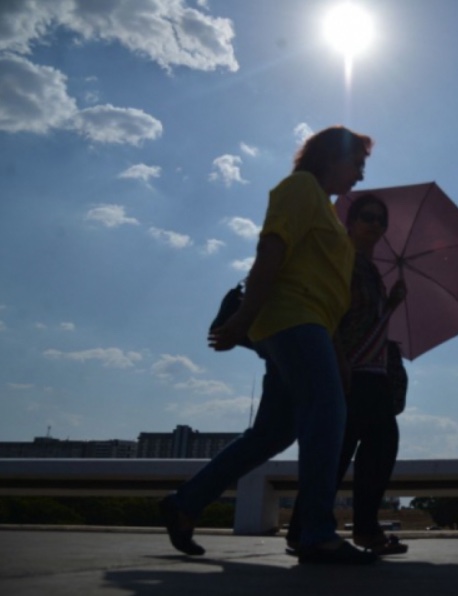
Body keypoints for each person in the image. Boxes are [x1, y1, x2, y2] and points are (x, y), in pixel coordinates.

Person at [159, 125, 377, 565]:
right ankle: (315, 532)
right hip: (292, 320)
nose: (359, 176)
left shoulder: (325, 211)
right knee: (327, 414)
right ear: (332, 157)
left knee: (273, 432)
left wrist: (337, 353)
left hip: (310, 324)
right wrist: (242, 318)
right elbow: (271, 252)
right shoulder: (300, 188)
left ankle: (185, 502)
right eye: (356, 163)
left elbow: (322, 288)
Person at [286, 193, 408, 556]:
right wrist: (336, 358)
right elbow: (329, 312)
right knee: (368, 444)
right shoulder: (343, 262)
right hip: (349, 368)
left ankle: (304, 527)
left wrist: (391, 304)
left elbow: (365, 317)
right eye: (367, 217)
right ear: (350, 223)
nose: (374, 225)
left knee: (348, 447)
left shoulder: (371, 270)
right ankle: (360, 530)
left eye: (380, 221)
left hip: (371, 371)